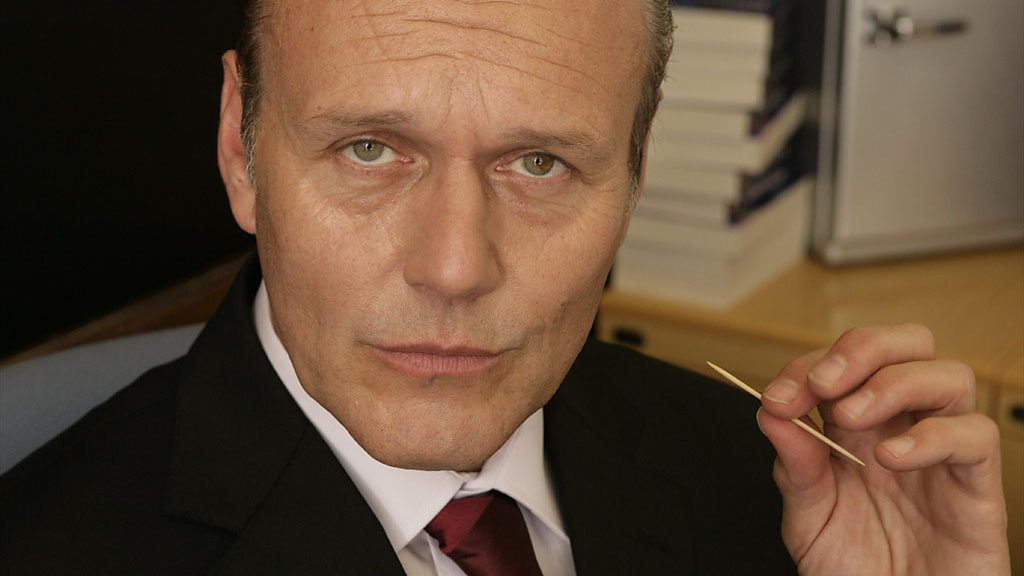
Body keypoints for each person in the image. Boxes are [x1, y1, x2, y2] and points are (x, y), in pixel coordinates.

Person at [0, 0, 1010, 574]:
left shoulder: (779, 491)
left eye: (539, 164)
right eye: (368, 149)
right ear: (240, 147)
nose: (454, 269)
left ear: (637, 171)